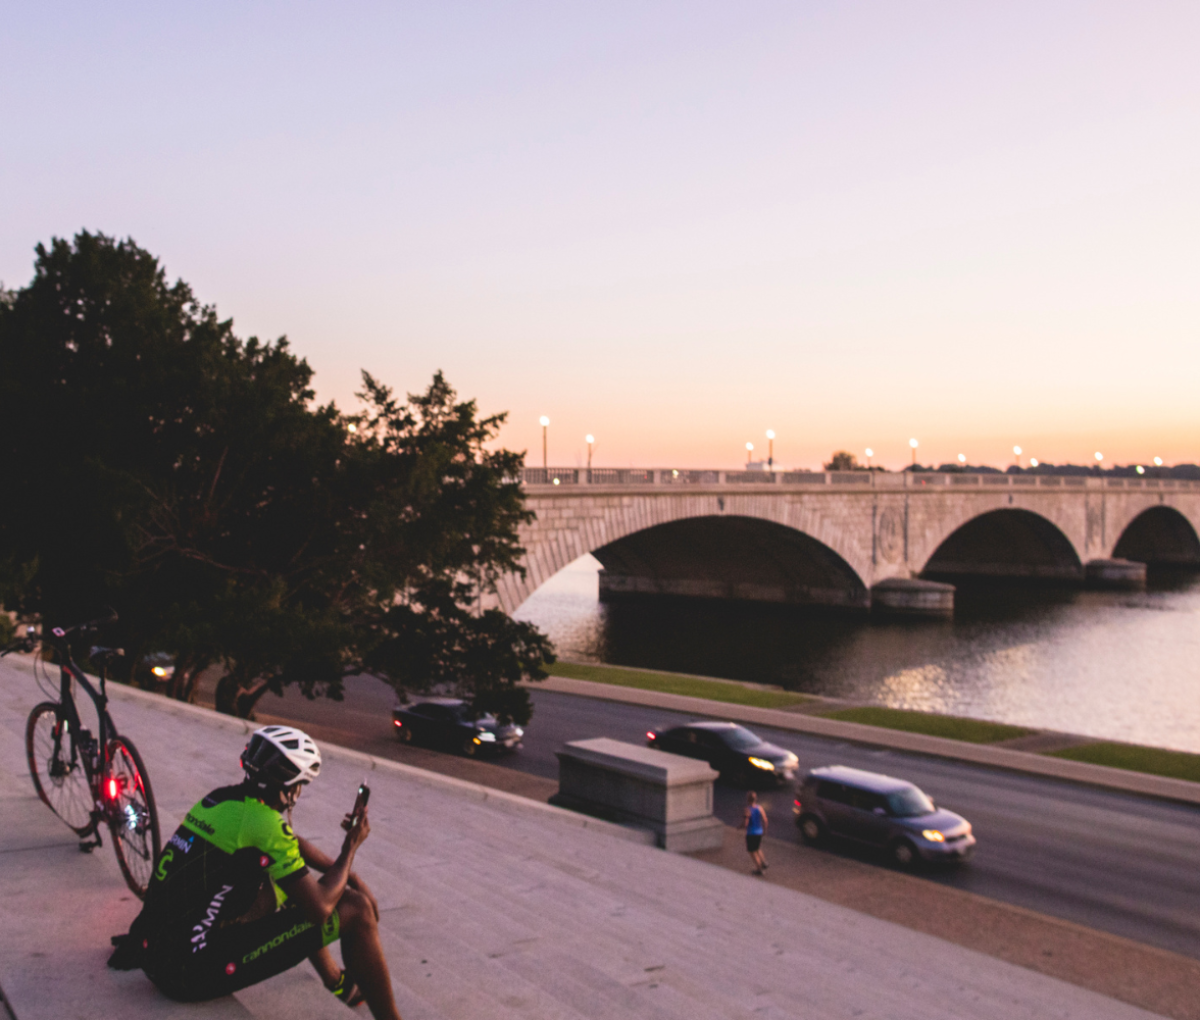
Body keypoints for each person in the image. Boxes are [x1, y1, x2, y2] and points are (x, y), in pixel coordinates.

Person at [109, 725, 402, 1020]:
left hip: (158, 956)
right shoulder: (264, 824)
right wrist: (349, 849)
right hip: (190, 973)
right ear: (291, 787)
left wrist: (345, 873)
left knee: (287, 880)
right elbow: (320, 910)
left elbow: (288, 844)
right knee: (357, 909)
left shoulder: (222, 799)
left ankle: (336, 981)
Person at [742, 791, 768, 875]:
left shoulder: (747, 810)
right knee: (757, 848)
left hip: (751, 833)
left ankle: (759, 869)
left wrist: (741, 826)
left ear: (748, 799)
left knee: (751, 851)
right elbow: (765, 820)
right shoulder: (760, 808)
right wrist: (764, 830)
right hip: (759, 831)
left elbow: (746, 823)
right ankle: (764, 862)